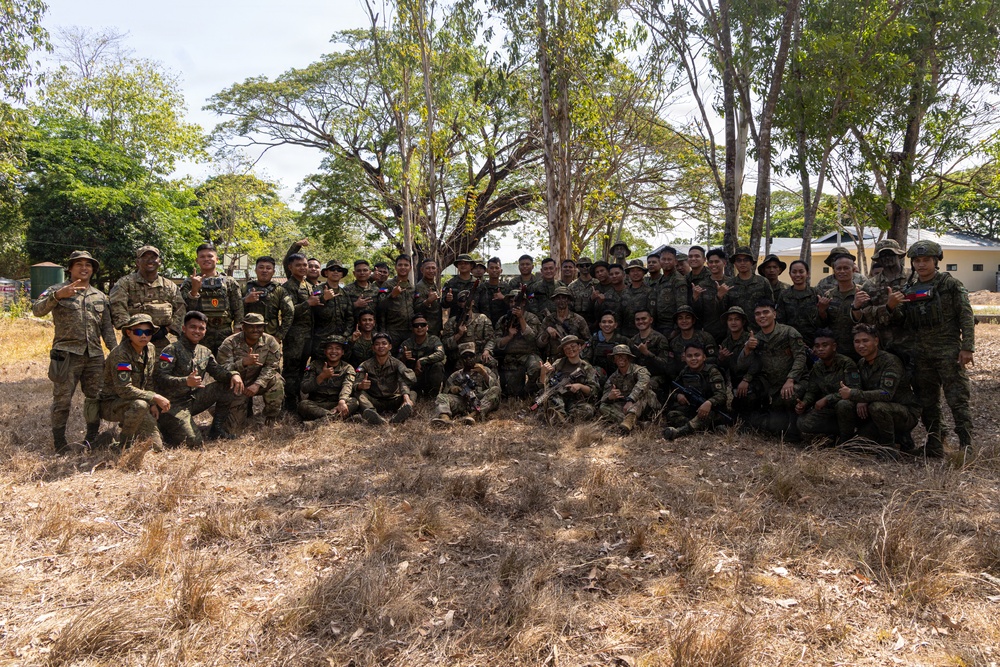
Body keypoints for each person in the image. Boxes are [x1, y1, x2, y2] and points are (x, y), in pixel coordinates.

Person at [893, 240, 975, 458]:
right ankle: (935, 443)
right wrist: (892, 305)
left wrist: (967, 347)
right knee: (927, 402)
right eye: (917, 261)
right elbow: (901, 320)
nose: (921, 265)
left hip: (948, 351)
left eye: (926, 260)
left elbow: (966, 315)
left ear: (936, 261)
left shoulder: (950, 285)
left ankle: (966, 446)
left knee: (957, 400)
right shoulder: (909, 289)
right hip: (921, 354)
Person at [33, 250, 118, 453]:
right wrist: (57, 296)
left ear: (92, 270)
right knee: (62, 401)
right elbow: (37, 310)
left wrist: (115, 352)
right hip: (65, 355)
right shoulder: (56, 289)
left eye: (88, 265)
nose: (84, 268)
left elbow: (107, 328)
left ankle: (91, 438)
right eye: (79, 264)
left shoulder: (100, 296)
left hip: (94, 356)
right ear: (70, 268)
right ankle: (60, 443)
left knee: (95, 399)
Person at [154, 311, 244, 447]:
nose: (197, 331)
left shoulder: (205, 351)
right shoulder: (171, 350)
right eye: (193, 327)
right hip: (172, 405)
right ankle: (166, 428)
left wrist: (233, 374)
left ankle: (217, 429)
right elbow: (160, 378)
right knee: (194, 442)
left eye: (201, 328)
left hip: (193, 399)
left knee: (226, 385)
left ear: (205, 331)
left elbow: (218, 372)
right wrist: (185, 381)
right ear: (184, 329)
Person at [835, 324, 920, 452]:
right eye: (857, 342)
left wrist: (856, 395)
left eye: (865, 341)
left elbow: (886, 394)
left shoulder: (890, 361)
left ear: (876, 341)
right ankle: (845, 441)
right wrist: (859, 398)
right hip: (875, 414)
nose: (861, 345)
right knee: (844, 406)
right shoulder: (862, 363)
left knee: (878, 407)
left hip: (903, 413)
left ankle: (889, 448)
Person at [99, 314, 171, 451]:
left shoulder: (150, 349)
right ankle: (124, 444)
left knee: (156, 447)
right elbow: (124, 389)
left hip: (137, 402)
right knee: (140, 405)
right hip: (111, 403)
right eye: (138, 332)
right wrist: (154, 397)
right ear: (128, 333)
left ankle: (112, 436)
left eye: (148, 332)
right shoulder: (121, 354)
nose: (143, 336)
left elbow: (148, 380)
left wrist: (152, 404)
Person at [740, 299, 807, 440]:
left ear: (774, 314)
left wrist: (791, 379)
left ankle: (795, 432)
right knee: (774, 425)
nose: (762, 316)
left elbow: (800, 357)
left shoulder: (788, 332)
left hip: (796, 382)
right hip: (774, 387)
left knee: (789, 395)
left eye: (766, 312)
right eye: (758, 314)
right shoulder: (756, 339)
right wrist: (747, 349)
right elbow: (746, 364)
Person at [109, 245, 186, 352]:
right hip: (132, 342)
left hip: (161, 343)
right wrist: (134, 332)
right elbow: (117, 308)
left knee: (165, 363)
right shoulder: (125, 284)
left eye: (153, 257)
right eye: (145, 257)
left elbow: (180, 310)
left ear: (159, 262)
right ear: (137, 262)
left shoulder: (170, 286)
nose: (150, 260)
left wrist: (166, 330)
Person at [218, 313, 284, 427]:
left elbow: (271, 366)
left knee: (277, 381)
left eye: (259, 326)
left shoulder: (270, 342)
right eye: (251, 326)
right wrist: (243, 363)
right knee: (234, 426)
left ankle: (271, 416)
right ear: (243, 327)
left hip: (257, 381)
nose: (255, 330)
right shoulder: (230, 342)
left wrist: (258, 384)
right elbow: (221, 368)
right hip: (237, 385)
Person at [794, 329, 860, 441]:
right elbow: (812, 391)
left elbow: (855, 390)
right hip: (828, 409)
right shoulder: (817, 366)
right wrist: (804, 403)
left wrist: (827, 399)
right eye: (817, 346)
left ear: (834, 347)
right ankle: (835, 433)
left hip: (849, 408)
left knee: (843, 405)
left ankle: (847, 441)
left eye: (825, 345)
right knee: (803, 423)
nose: (820, 349)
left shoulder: (847, 363)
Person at [180, 243, 244, 354]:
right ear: (197, 260)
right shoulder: (189, 282)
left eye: (210, 256)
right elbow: (184, 310)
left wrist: (237, 330)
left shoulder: (229, 282)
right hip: (198, 333)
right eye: (202, 256)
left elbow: (238, 308)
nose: (206, 259)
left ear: (217, 259)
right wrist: (194, 291)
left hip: (225, 333)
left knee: (225, 362)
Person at [662, 342, 727, 440]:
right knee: (672, 415)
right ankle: (706, 427)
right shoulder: (685, 371)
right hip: (693, 409)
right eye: (689, 356)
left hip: (713, 411)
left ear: (704, 357)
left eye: (697, 355)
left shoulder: (712, 372)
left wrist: (709, 402)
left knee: (706, 416)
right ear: (685, 358)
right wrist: (678, 396)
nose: (693, 359)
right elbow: (674, 390)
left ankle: (679, 432)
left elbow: (722, 395)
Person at [282, 253, 321, 412]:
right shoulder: (288, 287)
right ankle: (289, 403)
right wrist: (308, 303)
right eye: (298, 265)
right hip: (294, 336)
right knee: (291, 370)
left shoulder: (308, 285)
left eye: (305, 265)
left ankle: (298, 397)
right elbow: (288, 312)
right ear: (290, 267)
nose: (303, 268)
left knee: (302, 369)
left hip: (308, 335)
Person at [431, 342, 502, 426]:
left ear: (475, 356)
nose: (468, 359)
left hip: (480, 401)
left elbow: (497, 389)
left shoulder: (485, 370)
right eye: (465, 357)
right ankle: (444, 419)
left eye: (471, 356)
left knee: (495, 390)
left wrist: (484, 374)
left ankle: (473, 416)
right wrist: (453, 389)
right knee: (441, 396)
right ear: (461, 359)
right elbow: (445, 393)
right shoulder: (456, 375)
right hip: (463, 401)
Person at [356, 332, 417, 425]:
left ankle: (401, 413)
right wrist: (360, 385)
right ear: (373, 347)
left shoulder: (397, 363)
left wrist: (406, 397)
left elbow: (405, 380)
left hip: (394, 399)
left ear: (390, 346)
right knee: (359, 393)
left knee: (412, 393)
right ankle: (373, 414)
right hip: (375, 400)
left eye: (384, 343)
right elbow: (355, 384)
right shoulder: (365, 365)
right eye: (377, 344)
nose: (381, 346)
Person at [537, 335, 600, 424]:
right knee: (550, 399)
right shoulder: (559, 363)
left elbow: (594, 390)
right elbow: (544, 385)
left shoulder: (587, 368)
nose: (570, 349)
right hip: (557, 398)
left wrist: (580, 386)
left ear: (579, 347)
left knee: (588, 410)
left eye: (573, 346)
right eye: (566, 348)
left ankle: (561, 418)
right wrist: (543, 372)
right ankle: (559, 416)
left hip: (576, 401)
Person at [717, 306, 765, 419]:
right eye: (730, 319)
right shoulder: (726, 342)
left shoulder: (751, 339)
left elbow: (759, 362)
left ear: (743, 322)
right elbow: (724, 367)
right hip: (736, 382)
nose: (733, 322)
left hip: (754, 380)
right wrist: (721, 359)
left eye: (737, 319)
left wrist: (746, 379)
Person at [298, 336, 359, 422]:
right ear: (325, 351)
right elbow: (304, 388)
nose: (333, 351)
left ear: (342, 352)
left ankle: (320, 421)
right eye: (330, 348)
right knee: (303, 405)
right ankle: (335, 417)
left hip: (337, 403)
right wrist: (321, 377)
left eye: (337, 348)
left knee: (354, 402)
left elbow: (347, 386)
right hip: (318, 404)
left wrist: (342, 401)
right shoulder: (315, 365)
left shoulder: (347, 368)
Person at [599, 344, 657, 434]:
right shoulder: (613, 377)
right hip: (626, 407)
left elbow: (643, 383)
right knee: (603, 406)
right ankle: (636, 424)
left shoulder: (639, 370)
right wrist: (610, 397)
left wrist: (631, 399)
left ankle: (629, 421)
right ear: (614, 360)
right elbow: (604, 396)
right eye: (617, 356)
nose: (620, 358)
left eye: (623, 355)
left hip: (646, 406)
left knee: (645, 393)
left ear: (629, 358)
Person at [494, 289, 542, 398]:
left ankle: (531, 391)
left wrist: (521, 318)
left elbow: (532, 338)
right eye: (511, 302)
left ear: (523, 303)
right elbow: (497, 342)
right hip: (510, 357)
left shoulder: (532, 318)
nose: (513, 304)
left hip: (528, 354)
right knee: (514, 394)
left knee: (536, 367)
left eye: (516, 301)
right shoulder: (504, 319)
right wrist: (508, 337)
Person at [242, 255, 294, 344]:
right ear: (255, 270)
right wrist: (245, 300)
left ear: (273, 272)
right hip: (246, 336)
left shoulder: (279, 290)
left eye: (268, 268)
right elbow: (234, 309)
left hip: (270, 336)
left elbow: (289, 313)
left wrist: (279, 336)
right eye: (261, 267)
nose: (264, 271)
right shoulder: (245, 288)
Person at [818, 254, 861, 359]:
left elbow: (868, 321)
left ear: (853, 270)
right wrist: (822, 311)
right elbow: (824, 324)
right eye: (839, 268)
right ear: (834, 271)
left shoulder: (862, 292)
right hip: (835, 349)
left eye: (846, 268)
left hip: (858, 348)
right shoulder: (829, 295)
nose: (842, 271)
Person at [720, 246, 772, 330]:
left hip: (759, 330)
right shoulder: (728, 285)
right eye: (739, 260)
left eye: (746, 260)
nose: (742, 263)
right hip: (736, 331)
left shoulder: (763, 282)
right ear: (734, 263)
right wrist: (719, 297)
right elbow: (723, 310)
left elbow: (770, 306)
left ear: (751, 262)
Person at [442, 290, 496, 368]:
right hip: (460, 358)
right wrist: (458, 335)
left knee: (491, 362)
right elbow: (445, 344)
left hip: (478, 356)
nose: (464, 304)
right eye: (462, 301)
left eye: (467, 301)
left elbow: (491, 339)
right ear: (458, 303)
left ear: (472, 302)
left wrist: (487, 350)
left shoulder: (482, 319)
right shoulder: (452, 322)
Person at [537, 286, 589, 361]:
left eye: (564, 298)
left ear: (569, 300)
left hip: (574, 358)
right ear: (554, 301)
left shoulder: (578, 319)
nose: (561, 301)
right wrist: (547, 333)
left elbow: (588, 341)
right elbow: (539, 344)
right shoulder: (548, 320)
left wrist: (579, 351)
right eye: (558, 298)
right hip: (555, 359)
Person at [399, 314, 447, 397]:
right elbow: (396, 363)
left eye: (422, 325)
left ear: (427, 327)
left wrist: (421, 361)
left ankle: (432, 395)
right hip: (413, 377)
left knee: (438, 365)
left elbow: (441, 354)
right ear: (412, 328)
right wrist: (403, 358)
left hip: (429, 375)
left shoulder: (434, 340)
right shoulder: (406, 344)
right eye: (416, 325)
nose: (419, 327)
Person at [313, 259, 354, 352]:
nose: (336, 272)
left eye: (339, 270)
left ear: (342, 274)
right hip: (322, 340)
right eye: (332, 269)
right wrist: (324, 299)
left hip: (340, 340)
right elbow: (312, 312)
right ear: (326, 273)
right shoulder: (318, 290)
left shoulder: (345, 294)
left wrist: (345, 335)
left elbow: (350, 318)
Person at [776, 260, 821, 346]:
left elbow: (823, 320)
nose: (797, 275)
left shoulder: (816, 293)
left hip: (814, 341)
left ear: (807, 273)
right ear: (790, 274)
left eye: (801, 271)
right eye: (794, 272)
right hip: (791, 341)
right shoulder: (784, 294)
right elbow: (780, 321)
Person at [666, 306, 718, 377]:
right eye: (680, 318)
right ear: (677, 322)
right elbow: (671, 368)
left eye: (687, 317)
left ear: (693, 320)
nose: (684, 321)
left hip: (706, 376)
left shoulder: (705, 337)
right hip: (684, 378)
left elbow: (715, 359)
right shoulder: (674, 343)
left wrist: (694, 360)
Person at [690, 247, 728, 342]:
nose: (713, 264)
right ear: (707, 264)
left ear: (724, 263)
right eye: (711, 262)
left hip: (729, 332)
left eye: (717, 262)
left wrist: (720, 297)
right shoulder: (702, 285)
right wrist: (695, 298)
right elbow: (697, 313)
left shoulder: (731, 283)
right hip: (708, 333)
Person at [650, 246, 689, 338]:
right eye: (663, 259)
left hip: (672, 327)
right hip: (658, 326)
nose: (666, 262)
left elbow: (682, 307)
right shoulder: (660, 280)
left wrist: (676, 329)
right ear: (660, 261)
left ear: (675, 262)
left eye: (669, 259)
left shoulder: (678, 280)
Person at [378, 254, 416, 346]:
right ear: (395, 267)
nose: (403, 267)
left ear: (410, 268)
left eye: (406, 265)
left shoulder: (412, 287)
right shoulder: (387, 285)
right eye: (400, 265)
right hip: (393, 330)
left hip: (410, 331)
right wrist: (392, 295)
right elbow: (379, 306)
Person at [584, 310, 630, 383]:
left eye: (610, 322)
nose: (607, 324)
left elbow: (631, 361)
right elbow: (585, 359)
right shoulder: (593, 340)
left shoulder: (623, 340)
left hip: (619, 376)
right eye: (604, 322)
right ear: (600, 325)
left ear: (615, 325)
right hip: (597, 376)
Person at [620, 260, 651, 337]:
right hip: (625, 333)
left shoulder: (650, 292)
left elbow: (653, 314)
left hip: (644, 333)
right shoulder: (624, 292)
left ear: (643, 273)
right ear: (629, 274)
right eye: (632, 271)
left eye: (638, 270)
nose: (635, 273)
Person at [413, 259, 444, 336]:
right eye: (427, 268)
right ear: (422, 270)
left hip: (436, 327)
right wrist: (428, 301)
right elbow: (417, 309)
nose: (431, 271)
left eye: (433, 268)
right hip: (426, 329)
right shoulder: (420, 286)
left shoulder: (433, 284)